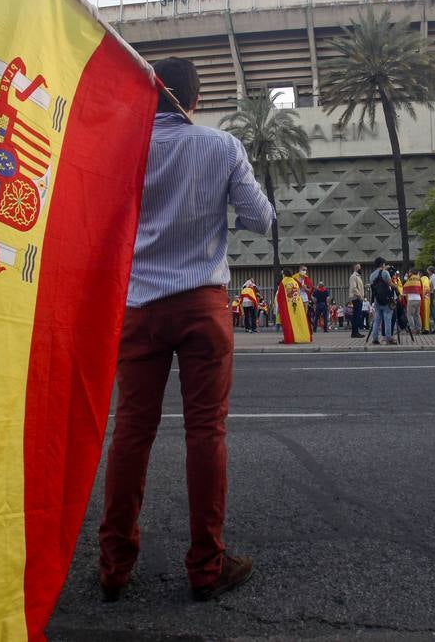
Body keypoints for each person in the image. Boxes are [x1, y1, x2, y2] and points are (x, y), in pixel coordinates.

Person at [98, 57, 274, 603]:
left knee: (131, 431)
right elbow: (261, 217)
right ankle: (206, 566)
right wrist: (221, 221)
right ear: (194, 101)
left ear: (152, 96)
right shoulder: (220, 148)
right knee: (205, 432)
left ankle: (113, 566)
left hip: (140, 306)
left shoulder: (122, 151)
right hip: (201, 305)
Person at [277, 267, 313, 344]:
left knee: (288, 323)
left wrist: (279, 307)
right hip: (298, 305)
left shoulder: (284, 282)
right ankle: (301, 337)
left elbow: (280, 296)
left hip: (289, 307)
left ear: (284, 274)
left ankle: (290, 338)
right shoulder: (294, 281)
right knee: (299, 322)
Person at [369, 257, 396, 344]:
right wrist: (396, 286)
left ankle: (375, 338)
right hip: (386, 300)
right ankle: (388, 338)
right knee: (387, 318)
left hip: (377, 300)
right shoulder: (385, 273)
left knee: (377, 320)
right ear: (382, 264)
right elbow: (390, 284)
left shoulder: (372, 275)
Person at [403, 269, 423, 333]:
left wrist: (405, 279)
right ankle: (419, 329)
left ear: (411, 273)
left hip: (412, 299)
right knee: (417, 315)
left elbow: (404, 287)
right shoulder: (419, 279)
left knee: (409, 315)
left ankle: (412, 329)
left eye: (409, 272)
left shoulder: (410, 279)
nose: (408, 273)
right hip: (418, 299)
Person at [348, 263, 364, 338]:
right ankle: (355, 333)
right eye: (359, 267)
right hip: (356, 298)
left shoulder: (358, 276)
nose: (360, 269)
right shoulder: (353, 277)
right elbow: (354, 288)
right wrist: (360, 296)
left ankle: (355, 332)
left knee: (357, 316)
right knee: (356, 316)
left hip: (358, 298)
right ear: (355, 268)